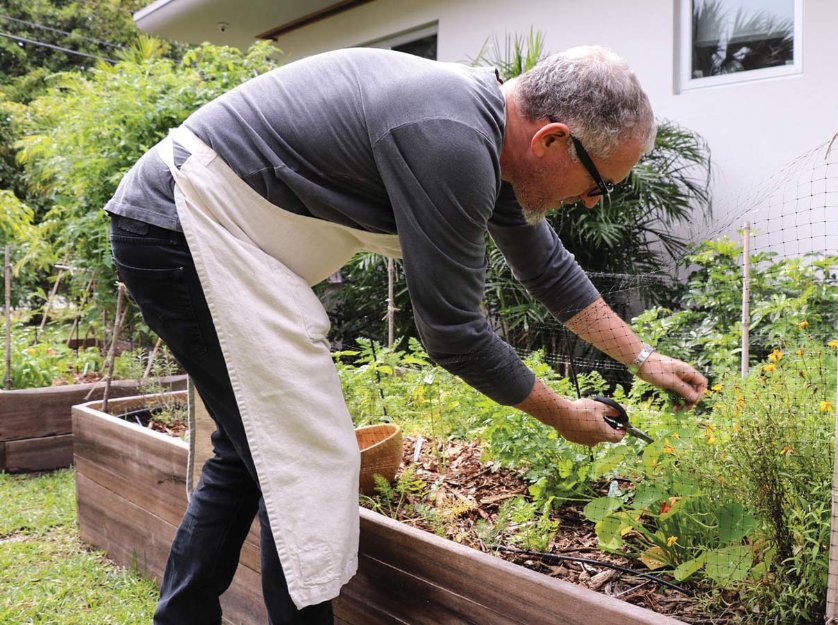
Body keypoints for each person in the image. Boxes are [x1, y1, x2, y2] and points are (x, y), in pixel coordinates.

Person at [105, 44, 707, 625]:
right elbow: (453, 333)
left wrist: (644, 357)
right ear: (551, 140)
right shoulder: (450, 139)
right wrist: (562, 415)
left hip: (191, 234)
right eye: (598, 183)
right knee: (308, 457)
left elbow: (546, 267)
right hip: (183, 227)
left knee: (250, 452)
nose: (593, 203)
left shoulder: (486, 137)